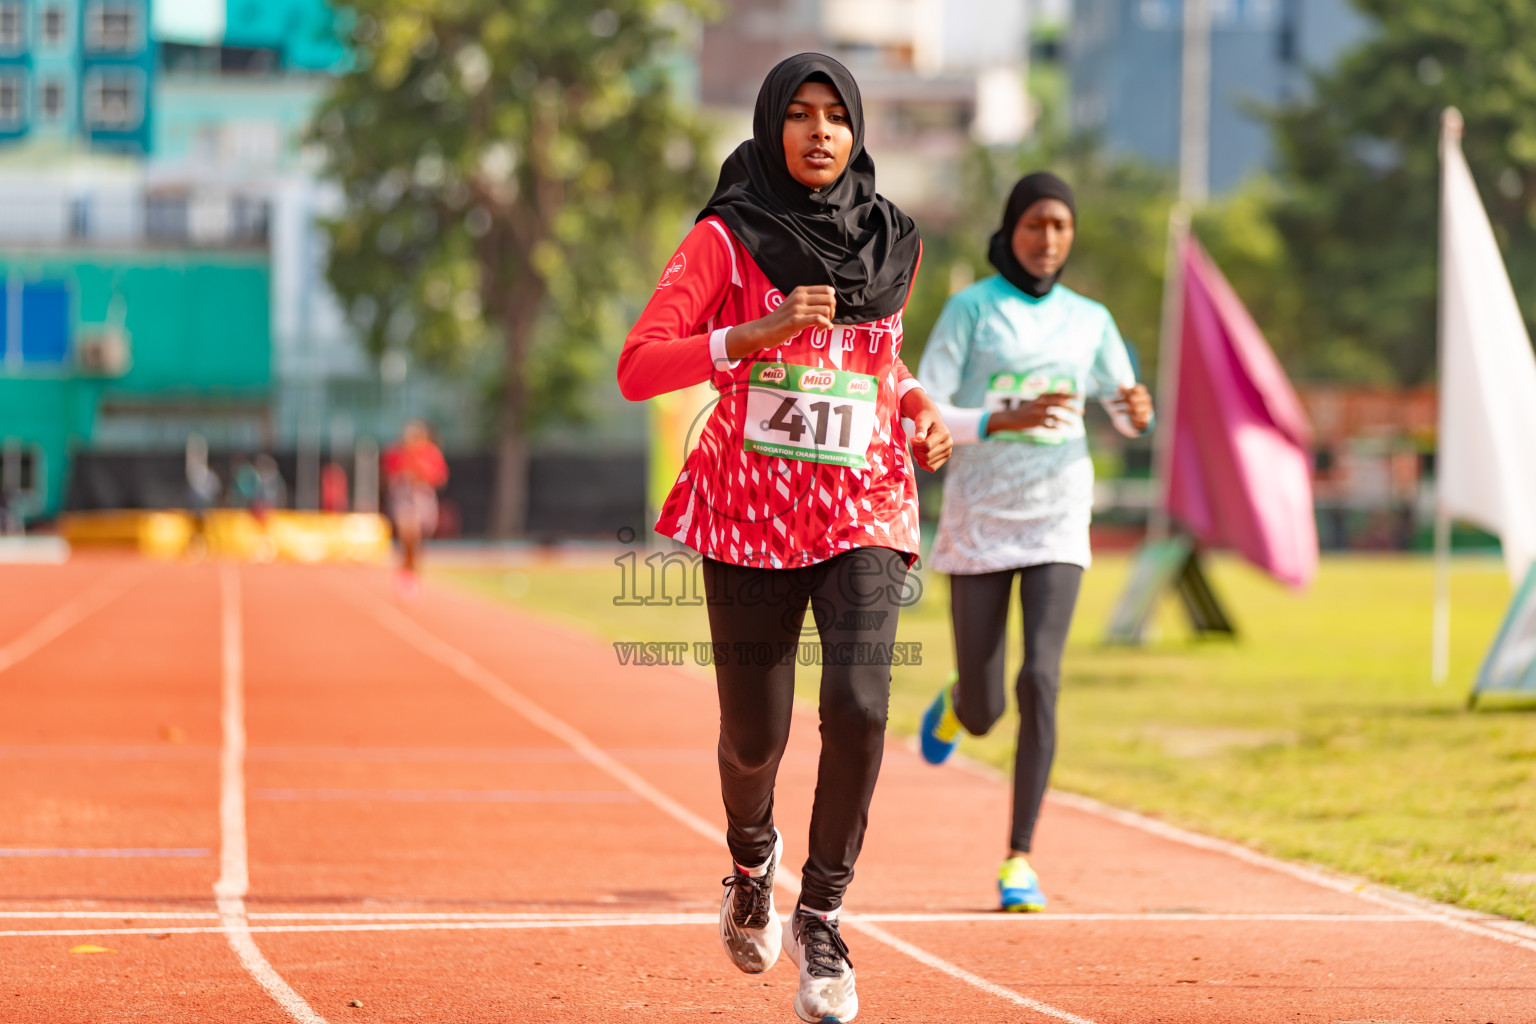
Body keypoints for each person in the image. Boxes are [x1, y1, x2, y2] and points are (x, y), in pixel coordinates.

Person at [618, 53, 951, 1024]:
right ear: (770, 128)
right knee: (754, 735)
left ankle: (826, 914)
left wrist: (922, 405)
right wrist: (751, 336)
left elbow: (881, 361)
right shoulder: (727, 239)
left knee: (857, 706)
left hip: (866, 502)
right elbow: (639, 367)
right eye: (799, 116)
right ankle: (748, 857)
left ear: (856, 131)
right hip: (749, 507)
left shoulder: (894, 241)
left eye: (835, 116)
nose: (818, 133)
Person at [914, 172, 1153, 912]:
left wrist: (1137, 409)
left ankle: (1019, 857)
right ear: (1011, 229)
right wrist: (999, 422)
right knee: (989, 707)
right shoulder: (971, 311)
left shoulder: (1091, 319)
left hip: (1057, 514)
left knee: (1040, 680)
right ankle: (959, 702)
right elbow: (922, 407)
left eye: (1060, 227)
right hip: (981, 516)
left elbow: (1125, 404)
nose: (1049, 240)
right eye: (1035, 225)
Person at [382, 420, 448, 597]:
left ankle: (412, 571)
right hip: (403, 498)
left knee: (417, 539)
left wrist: (422, 474)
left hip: (422, 497)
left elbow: (440, 477)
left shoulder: (431, 453)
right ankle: (406, 572)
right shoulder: (397, 453)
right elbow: (389, 475)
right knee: (407, 532)